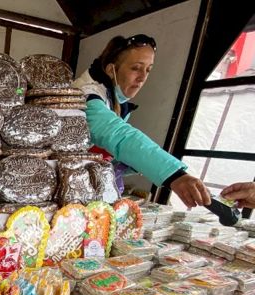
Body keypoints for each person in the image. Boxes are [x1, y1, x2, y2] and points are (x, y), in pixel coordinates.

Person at [73, 34, 211, 208]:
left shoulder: (115, 99)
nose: (142, 77)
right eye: (136, 68)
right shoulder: (85, 97)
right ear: (110, 70)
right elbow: (118, 135)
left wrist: (128, 164)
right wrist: (174, 175)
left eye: (148, 70)